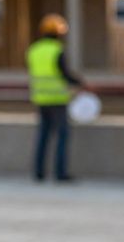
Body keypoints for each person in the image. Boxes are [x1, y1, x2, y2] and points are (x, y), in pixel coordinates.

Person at [27, 13, 86, 182]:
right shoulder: (57, 50)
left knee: (43, 136)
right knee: (62, 136)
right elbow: (65, 74)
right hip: (58, 100)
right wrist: (81, 82)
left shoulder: (34, 50)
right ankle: (60, 173)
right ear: (58, 32)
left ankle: (39, 172)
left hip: (40, 99)